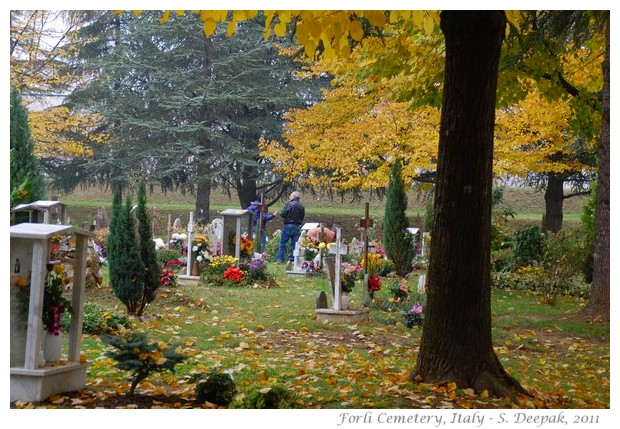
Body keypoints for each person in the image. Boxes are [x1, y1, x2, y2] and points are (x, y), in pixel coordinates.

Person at [277, 191, 305, 268]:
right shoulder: (301, 206)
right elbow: (302, 217)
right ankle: (293, 260)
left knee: (283, 243)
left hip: (288, 225)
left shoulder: (289, 204)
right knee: (295, 244)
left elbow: (283, 214)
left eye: (290, 196)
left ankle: (280, 259)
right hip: (297, 226)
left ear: (293, 197)